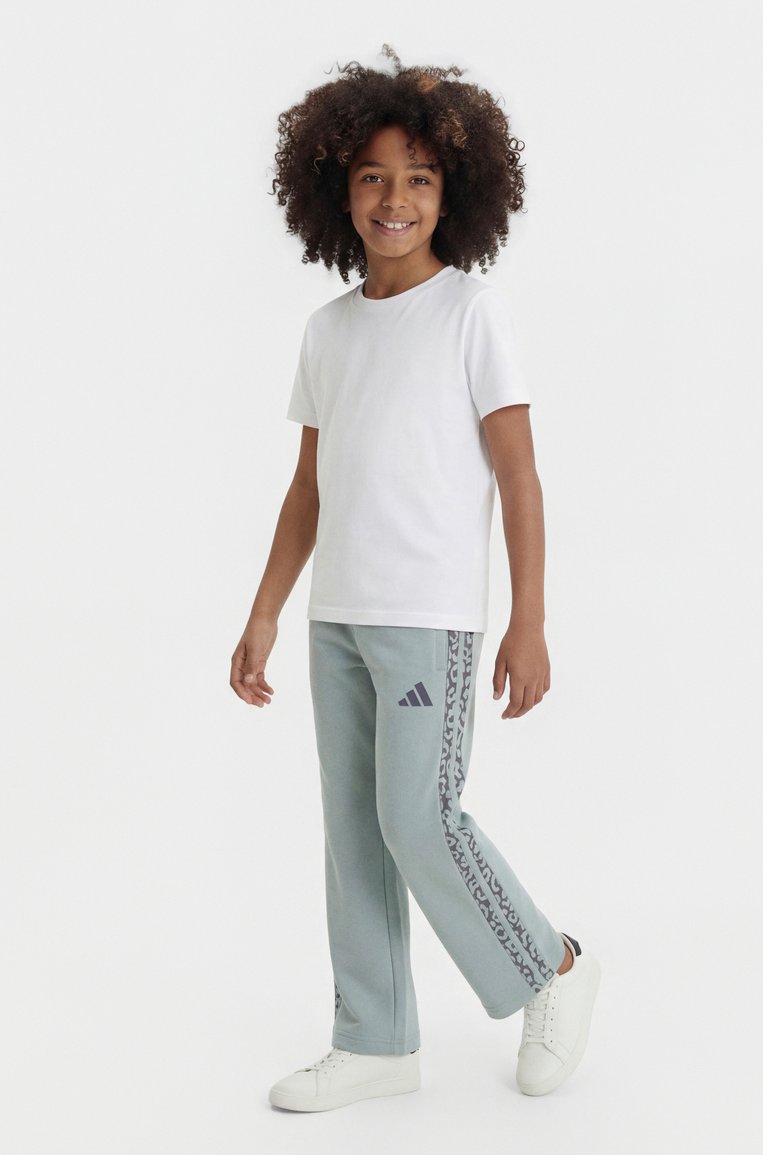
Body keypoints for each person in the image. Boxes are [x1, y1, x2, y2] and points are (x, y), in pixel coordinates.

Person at [230, 44, 601, 1113]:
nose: (394, 200)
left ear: (453, 192)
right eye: (373, 178)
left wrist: (528, 619)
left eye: (419, 179)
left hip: (427, 620)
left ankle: (550, 965)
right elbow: (308, 487)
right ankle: (375, 1038)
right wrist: (264, 612)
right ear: (336, 190)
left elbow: (518, 475)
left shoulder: (470, 313)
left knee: (419, 819)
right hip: (335, 620)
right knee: (354, 832)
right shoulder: (328, 331)